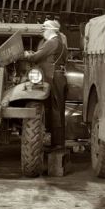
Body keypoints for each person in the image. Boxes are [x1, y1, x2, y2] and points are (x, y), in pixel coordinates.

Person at [22, 20, 68, 149]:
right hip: (58, 76)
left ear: (50, 30)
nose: (43, 33)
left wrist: (26, 54)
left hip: (53, 77)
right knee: (58, 108)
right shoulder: (61, 42)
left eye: (44, 30)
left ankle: (57, 143)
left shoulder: (52, 42)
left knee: (55, 109)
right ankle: (57, 142)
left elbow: (36, 57)